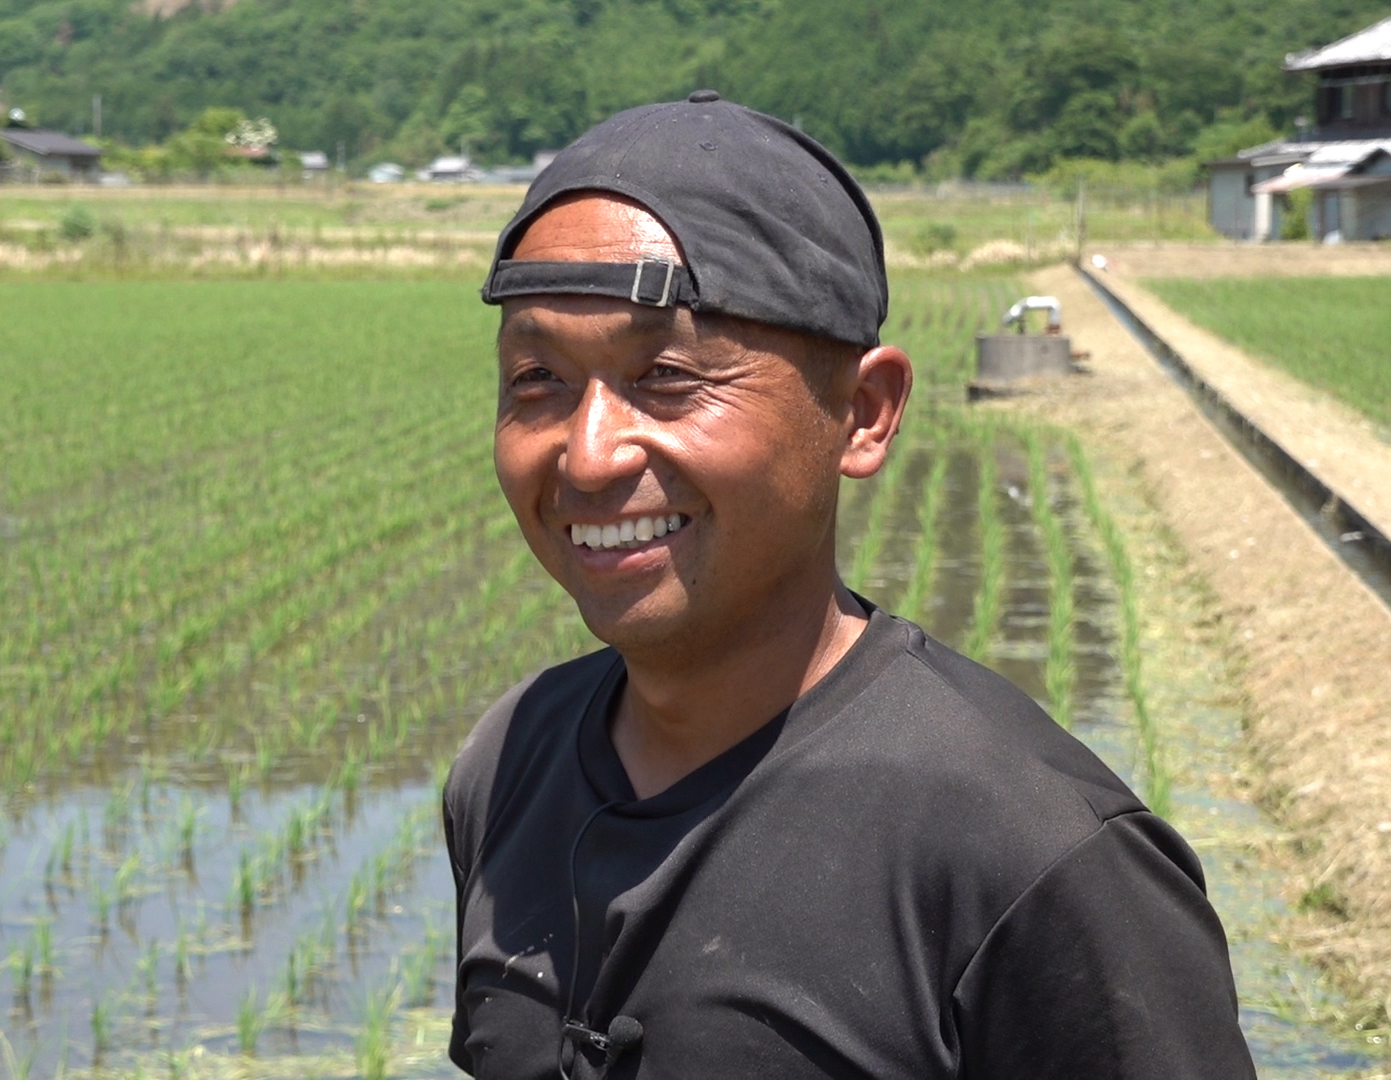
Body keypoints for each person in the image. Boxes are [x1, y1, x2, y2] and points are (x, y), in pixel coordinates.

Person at [442, 92, 1255, 1079]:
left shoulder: (1033, 857)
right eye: (537, 382)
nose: (590, 454)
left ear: (863, 413)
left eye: (666, 378)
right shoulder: (508, 763)